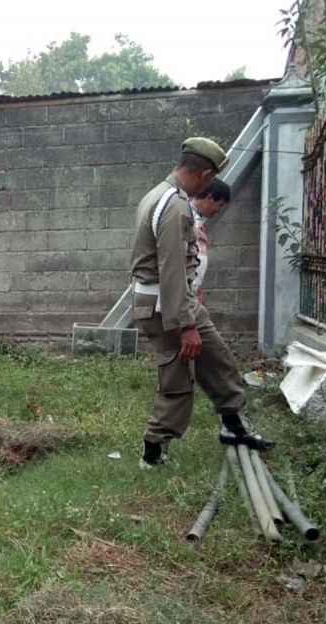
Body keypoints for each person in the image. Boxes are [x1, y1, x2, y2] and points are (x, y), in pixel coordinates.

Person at [130, 138, 274, 469]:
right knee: (178, 378)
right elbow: (172, 268)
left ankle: (233, 425)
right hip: (165, 305)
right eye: (211, 180)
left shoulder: (162, 194)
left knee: (218, 359)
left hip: (174, 300)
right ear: (206, 174)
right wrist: (186, 325)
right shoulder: (174, 205)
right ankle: (153, 451)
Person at [190, 179, 232, 302]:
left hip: (192, 289)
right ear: (209, 197)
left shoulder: (198, 220)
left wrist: (197, 286)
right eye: (220, 205)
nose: (218, 210)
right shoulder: (186, 217)